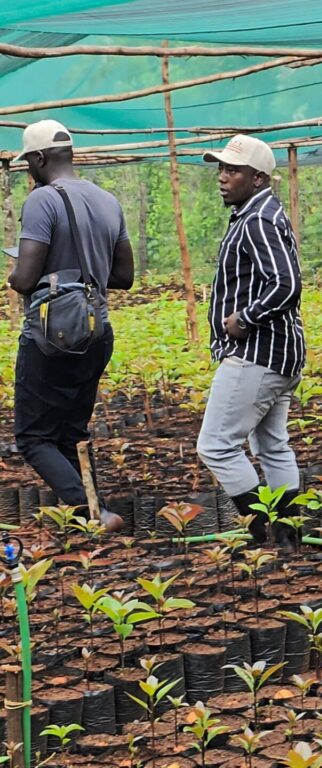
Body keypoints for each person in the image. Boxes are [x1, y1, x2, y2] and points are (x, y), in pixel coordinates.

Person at [7, 119, 134, 532]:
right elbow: (123, 276)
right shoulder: (107, 200)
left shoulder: (43, 201)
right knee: (71, 432)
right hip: (96, 330)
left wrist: (18, 276)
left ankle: (94, 512)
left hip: (52, 334)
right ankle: (93, 514)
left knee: (33, 438)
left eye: (29, 163)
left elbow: (26, 279)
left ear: (39, 159)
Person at [196, 134, 305, 551]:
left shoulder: (258, 219)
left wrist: (245, 317)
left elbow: (286, 284)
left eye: (233, 170)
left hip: (257, 354)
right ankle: (288, 538)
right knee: (271, 445)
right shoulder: (257, 213)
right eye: (221, 169)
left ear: (258, 178)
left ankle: (264, 532)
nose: (222, 177)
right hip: (278, 354)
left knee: (216, 445)